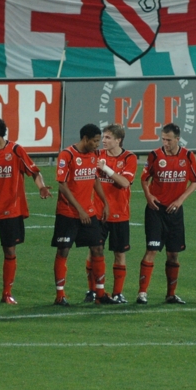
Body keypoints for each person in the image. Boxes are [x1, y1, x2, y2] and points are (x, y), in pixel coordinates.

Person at [0, 117, 51, 304]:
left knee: (10, 251)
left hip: (11, 212)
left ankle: (7, 293)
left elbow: (34, 171)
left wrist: (41, 187)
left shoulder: (15, 150)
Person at [137, 123, 196, 305]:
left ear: (177, 139)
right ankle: (142, 293)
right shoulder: (155, 155)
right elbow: (143, 178)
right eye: (163, 139)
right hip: (156, 210)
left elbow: (195, 181)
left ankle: (171, 294)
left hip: (175, 212)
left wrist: (180, 200)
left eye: (169, 139)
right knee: (152, 250)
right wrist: (149, 196)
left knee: (173, 254)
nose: (165, 142)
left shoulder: (188, 156)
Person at [51, 124, 112, 306]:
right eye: (94, 141)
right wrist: (79, 209)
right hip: (68, 213)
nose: (97, 145)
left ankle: (100, 294)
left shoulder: (95, 155)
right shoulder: (67, 155)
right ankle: (60, 295)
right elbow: (62, 185)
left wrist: (105, 202)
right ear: (85, 138)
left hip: (89, 212)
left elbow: (94, 179)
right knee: (63, 250)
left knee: (97, 248)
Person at [84, 124, 137, 305]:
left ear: (118, 140)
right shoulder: (97, 156)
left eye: (107, 138)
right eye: (103, 138)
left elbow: (124, 183)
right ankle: (92, 290)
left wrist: (106, 169)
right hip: (97, 214)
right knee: (93, 252)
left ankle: (117, 293)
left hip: (120, 214)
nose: (103, 141)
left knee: (119, 254)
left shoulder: (129, 158)